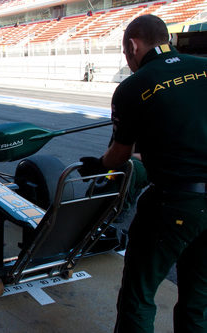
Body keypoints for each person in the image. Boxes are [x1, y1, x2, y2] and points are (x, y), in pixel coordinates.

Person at [78, 15, 207, 332]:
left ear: (133, 46)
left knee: (138, 298)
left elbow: (118, 155)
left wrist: (99, 164)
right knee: (198, 301)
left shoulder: (133, 87)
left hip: (174, 203)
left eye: (126, 53)